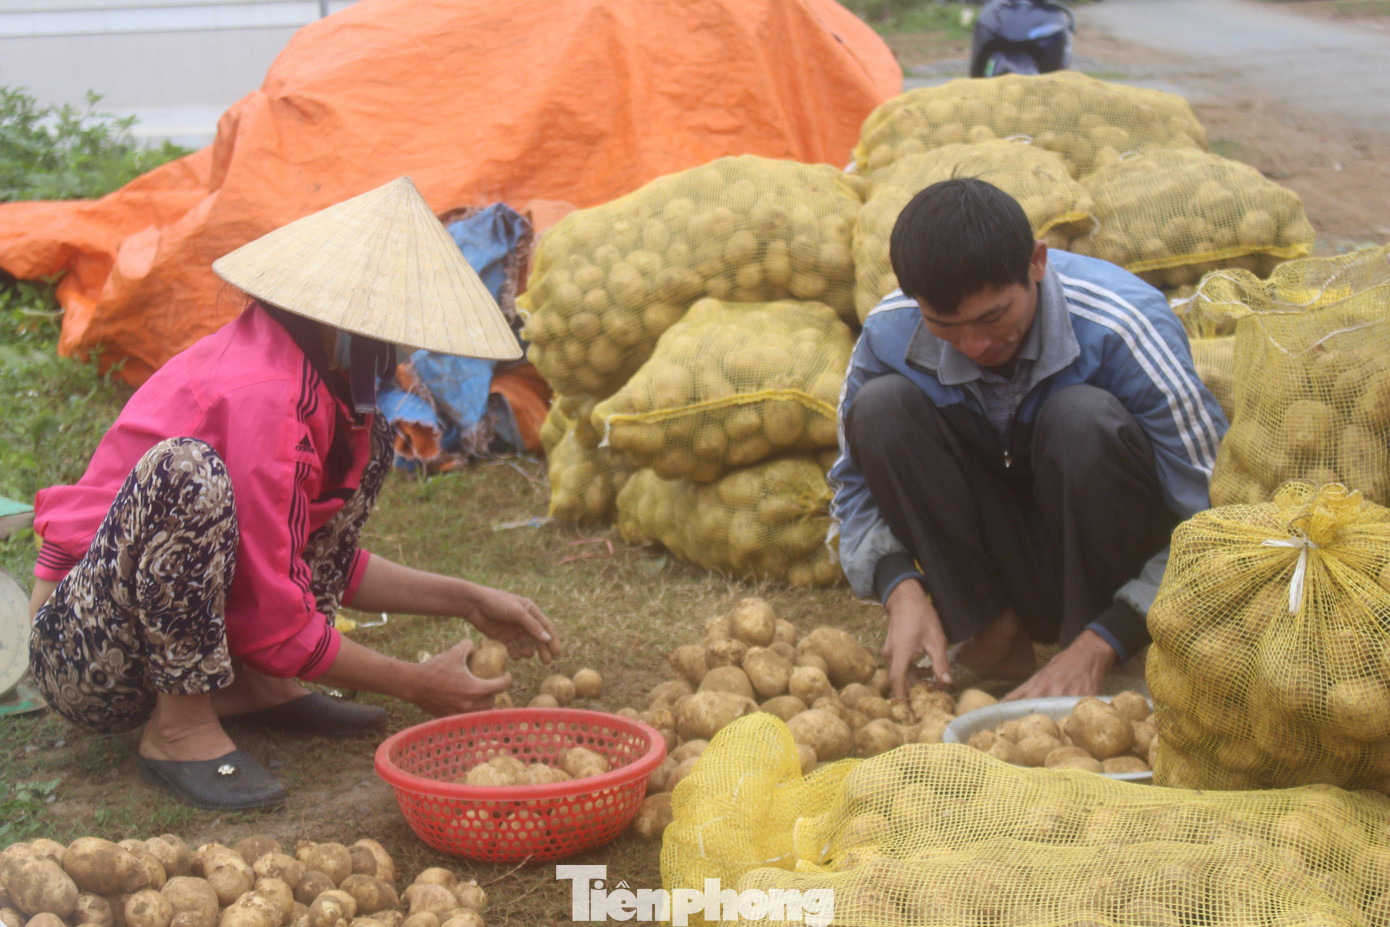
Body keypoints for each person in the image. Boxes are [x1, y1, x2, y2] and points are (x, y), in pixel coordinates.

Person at [27, 177, 560, 811]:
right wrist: (415, 683)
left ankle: (261, 686)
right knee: (186, 473)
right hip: (84, 649)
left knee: (373, 445)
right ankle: (179, 727)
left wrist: (467, 599)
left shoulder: (320, 383)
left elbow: (300, 553)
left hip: (147, 630)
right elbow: (275, 619)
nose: (402, 351)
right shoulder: (265, 393)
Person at [829, 178, 1226, 701]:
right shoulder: (890, 332)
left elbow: (1215, 520)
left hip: (1110, 563)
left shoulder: (1122, 326)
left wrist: (1112, 633)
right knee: (879, 410)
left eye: (993, 317)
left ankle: (1092, 649)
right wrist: (898, 584)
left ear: (1037, 262)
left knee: (1081, 419)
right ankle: (991, 635)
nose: (974, 344)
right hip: (1003, 560)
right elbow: (852, 487)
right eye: (945, 325)